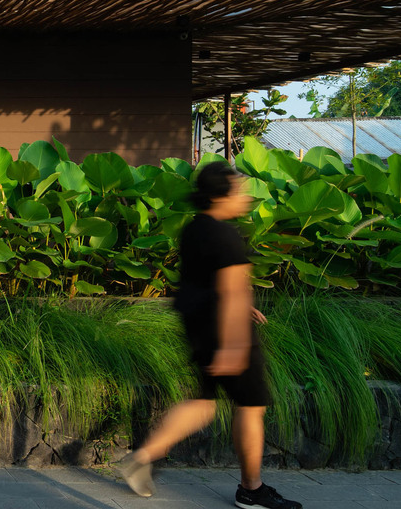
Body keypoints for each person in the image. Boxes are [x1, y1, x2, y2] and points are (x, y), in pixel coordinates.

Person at [116, 160, 302, 509]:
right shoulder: (226, 234)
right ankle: (252, 489)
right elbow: (233, 290)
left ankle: (143, 457)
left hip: (200, 325)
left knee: (203, 402)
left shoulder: (196, 228)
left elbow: (207, 281)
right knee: (251, 406)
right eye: (241, 189)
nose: (246, 195)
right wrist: (234, 346)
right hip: (228, 333)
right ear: (223, 195)